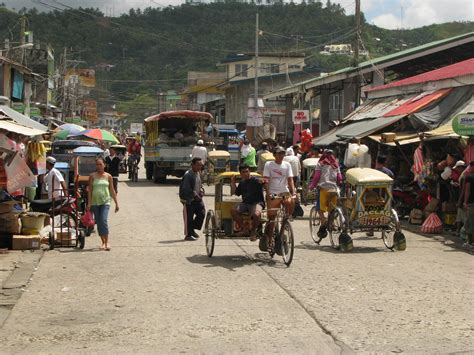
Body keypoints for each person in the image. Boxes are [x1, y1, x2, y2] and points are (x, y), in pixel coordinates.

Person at [262, 146, 296, 251]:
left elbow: (290, 180)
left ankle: (286, 222)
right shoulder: (269, 165)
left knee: (291, 202)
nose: (281, 155)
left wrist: (293, 192)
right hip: (273, 192)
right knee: (272, 219)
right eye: (279, 153)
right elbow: (266, 180)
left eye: (282, 153)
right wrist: (268, 193)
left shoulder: (287, 165)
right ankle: (270, 239)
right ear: (274, 155)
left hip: (284, 191)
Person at [87, 157, 119, 251]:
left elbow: (112, 190)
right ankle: (102, 242)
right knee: (99, 222)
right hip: (95, 202)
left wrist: (117, 203)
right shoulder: (92, 176)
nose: (99, 166)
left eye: (100, 164)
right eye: (97, 164)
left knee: (103, 220)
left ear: (104, 165)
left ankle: (107, 242)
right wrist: (89, 203)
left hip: (105, 202)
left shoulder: (108, 176)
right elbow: (90, 190)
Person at [308, 149, 342, 237]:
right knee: (332, 209)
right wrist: (338, 185)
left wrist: (311, 186)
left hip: (323, 189)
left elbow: (316, 177)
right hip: (333, 190)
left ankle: (324, 222)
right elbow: (339, 178)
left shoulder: (320, 164)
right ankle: (332, 223)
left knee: (320, 209)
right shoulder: (336, 165)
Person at [230, 164, 265, 241]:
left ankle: (253, 232)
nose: (246, 173)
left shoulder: (255, 180)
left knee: (256, 214)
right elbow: (236, 193)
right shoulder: (242, 183)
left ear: (250, 172)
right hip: (245, 204)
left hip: (257, 203)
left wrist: (263, 180)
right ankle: (244, 229)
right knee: (233, 210)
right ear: (240, 173)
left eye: (247, 171)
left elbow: (262, 181)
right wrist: (233, 182)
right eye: (243, 172)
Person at [179, 158, 205, 241]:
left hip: (197, 200)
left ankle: (192, 229)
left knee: (202, 213)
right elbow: (186, 189)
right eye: (198, 165)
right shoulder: (188, 175)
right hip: (189, 200)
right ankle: (188, 235)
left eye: (201, 165)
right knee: (188, 218)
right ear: (193, 165)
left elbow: (199, 184)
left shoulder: (198, 173)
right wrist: (194, 195)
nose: (199, 167)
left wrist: (201, 191)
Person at [462, 161, 474, 250]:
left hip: (471, 203)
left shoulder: (469, 177)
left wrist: (465, 202)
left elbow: (467, 190)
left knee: (469, 223)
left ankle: (470, 242)